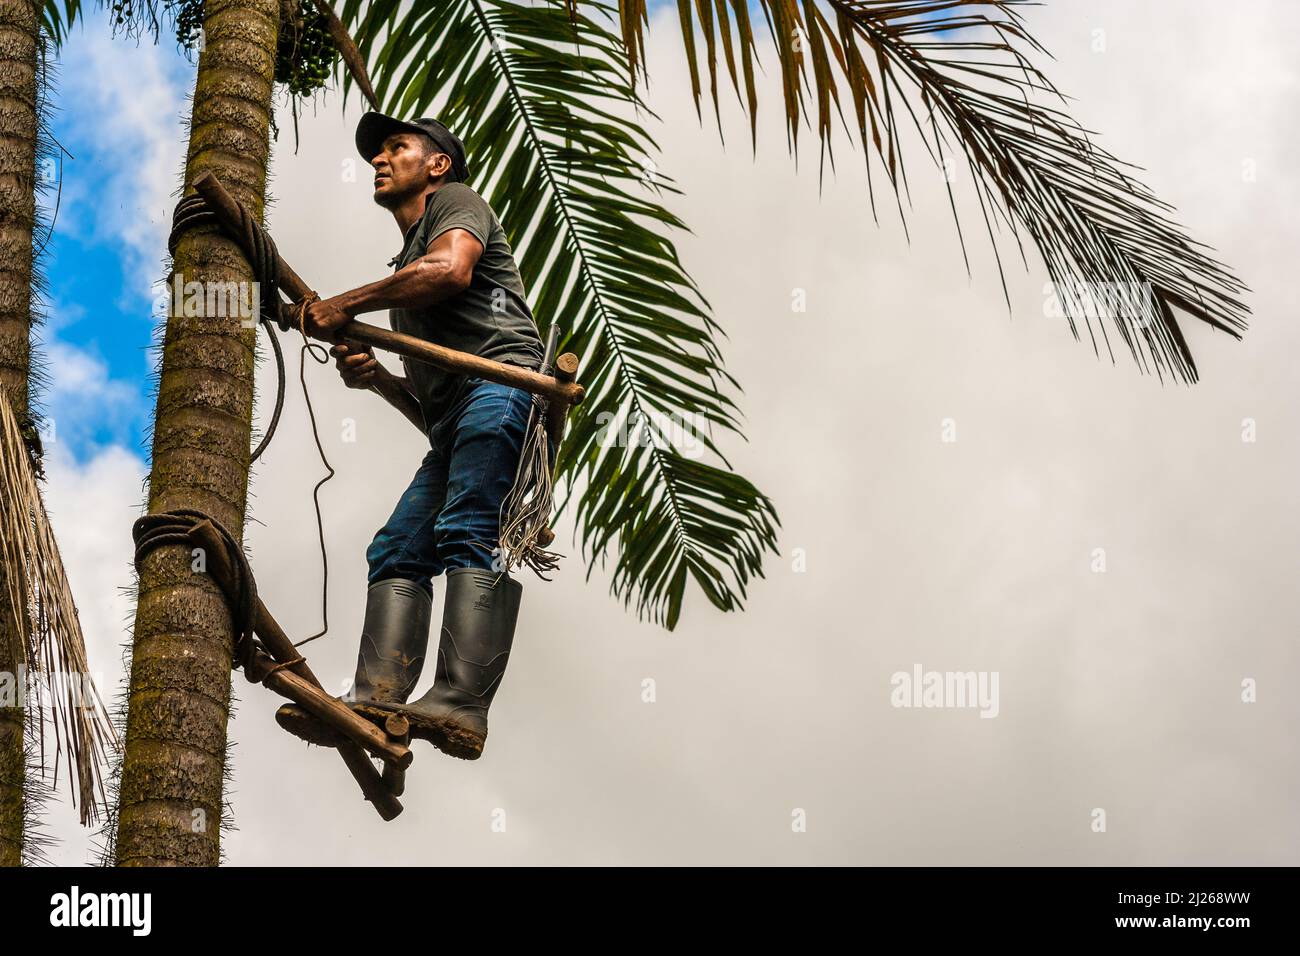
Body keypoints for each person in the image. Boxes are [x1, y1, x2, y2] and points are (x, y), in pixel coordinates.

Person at [276, 111, 544, 761]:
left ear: (437, 165)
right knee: (396, 549)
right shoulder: (405, 274)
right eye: (379, 151)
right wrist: (377, 383)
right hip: (456, 421)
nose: (381, 158)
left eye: (398, 147)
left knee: (469, 528)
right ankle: (379, 697)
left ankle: (459, 703)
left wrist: (341, 304)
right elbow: (432, 411)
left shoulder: (455, 206)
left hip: (505, 388)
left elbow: (452, 270)